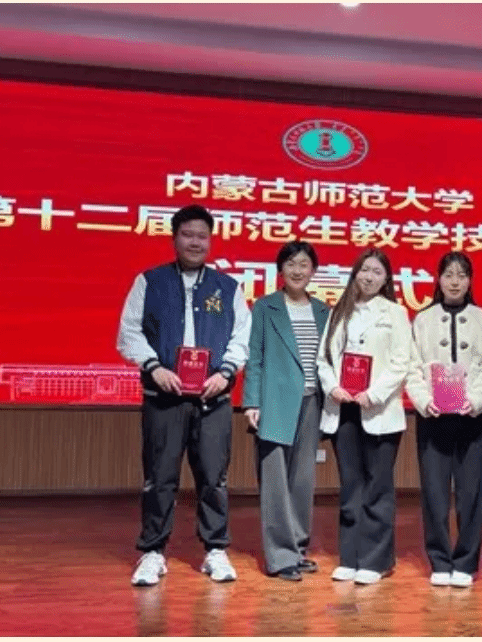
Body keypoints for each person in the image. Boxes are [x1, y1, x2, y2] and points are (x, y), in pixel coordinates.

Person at [117, 204, 251, 586]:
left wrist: (226, 373)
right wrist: (154, 367)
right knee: (159, 477)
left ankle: (215, 550)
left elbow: (241, 337)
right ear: (174, 238)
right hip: (164, 397)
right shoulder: (149, 282)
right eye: (188, 234)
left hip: (213, 398)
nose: (195, 242)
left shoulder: (228, 287)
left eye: (202, 236)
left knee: (213, 477)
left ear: (211, 241)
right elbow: (129, 332)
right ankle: (152, 552)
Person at [406, 252, 482, 587]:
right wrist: (424, 401)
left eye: (462, 275)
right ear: (438, 279)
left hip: (471, 418)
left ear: (470, 281)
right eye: (448, 274)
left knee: (471, 493)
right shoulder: (423, 320)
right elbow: (412, 367)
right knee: (434, 493)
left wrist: (475, 400)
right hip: (433, 418)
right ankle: (439, 560)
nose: (454, 281)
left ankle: (465, 562)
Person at [316, 248, 412, 585]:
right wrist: (332, 386)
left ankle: (376, 560)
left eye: (377, 272)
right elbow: (323, 359)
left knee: (378, 487)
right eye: (364, 270)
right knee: (350, 485)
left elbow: (402, 361)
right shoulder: (339, 311)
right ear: (355, 273)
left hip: (379, 410)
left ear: (386, 279)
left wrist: (374, 393)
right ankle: (350, 557)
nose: (369, 276)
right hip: (344, 408)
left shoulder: (395, 313)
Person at [243, 241, 330, 582]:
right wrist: (252, 402)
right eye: (291, 264)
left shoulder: (323, 311)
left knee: (303, 480)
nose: (297, 270)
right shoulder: (265, 307)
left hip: (312, 402)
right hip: (275, 401)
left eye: (304, 264)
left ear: (313, 271)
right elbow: (255, 357)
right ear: (281, 270)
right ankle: (280, 557)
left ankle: (297, 547)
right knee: (275, 482)